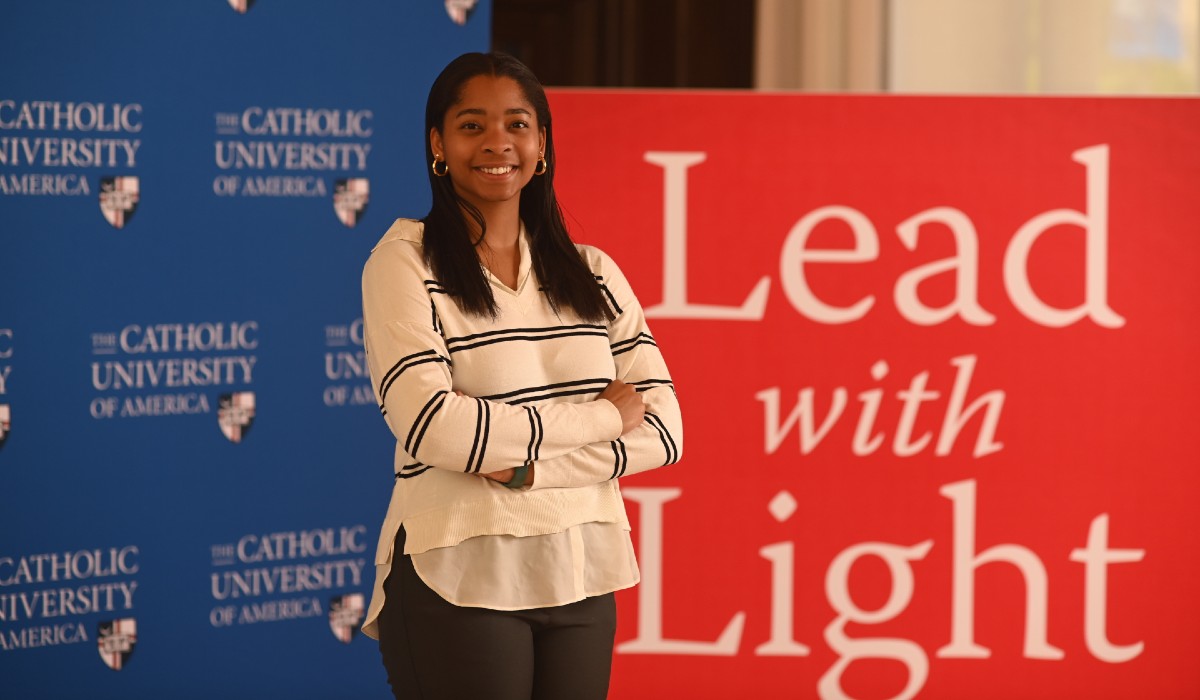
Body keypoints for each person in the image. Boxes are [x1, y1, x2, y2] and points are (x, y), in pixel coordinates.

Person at [360, 51, 683, 700]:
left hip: (583, 568)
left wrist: (527, 469)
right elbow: (435, 429)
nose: (497, 143)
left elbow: (664, 434)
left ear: (542, 144)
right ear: (438, 144)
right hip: (460, 566)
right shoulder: (403, 263)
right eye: (472, 125)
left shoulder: (592, 273)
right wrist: (598, 417)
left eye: (518, 124)